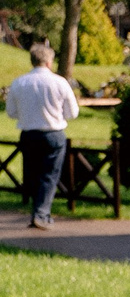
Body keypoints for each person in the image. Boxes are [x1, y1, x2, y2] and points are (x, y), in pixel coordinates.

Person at [6, 43, 80, 229]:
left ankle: (37, 211)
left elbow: (11, 112)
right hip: (53, 132)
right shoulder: (59, 82)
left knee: (32, 174)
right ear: (49, 62)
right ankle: (41, 214)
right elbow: (72, 112)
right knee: (49, 175)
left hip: (29, 133)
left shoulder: (19, 82)